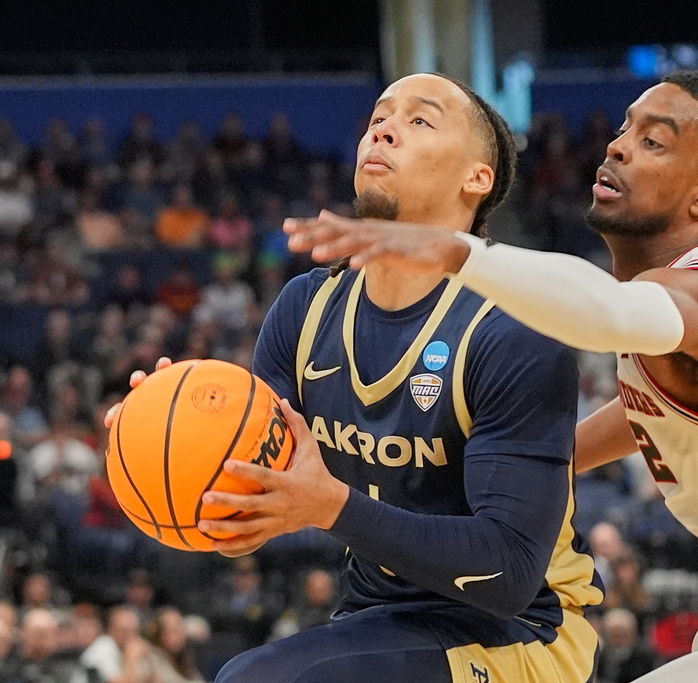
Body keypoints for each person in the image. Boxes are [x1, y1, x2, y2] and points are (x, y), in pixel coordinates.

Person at [287, 70, 698, 682]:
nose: (619, 147)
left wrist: (458, 251)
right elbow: (652, 412)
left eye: (653, 140)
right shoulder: (692, 304)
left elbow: (603, 311)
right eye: (625, 128)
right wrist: (543, 463)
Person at [108, 72, 602, 683]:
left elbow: (507, 575)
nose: (385, 128)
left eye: (419, 120)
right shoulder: (304, 309)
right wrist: (168, 433)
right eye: (378, 117)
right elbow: (260, 502)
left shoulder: (516, 328)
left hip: (523, 633)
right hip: (379, 619)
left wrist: (332, 505)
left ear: (478, 178)